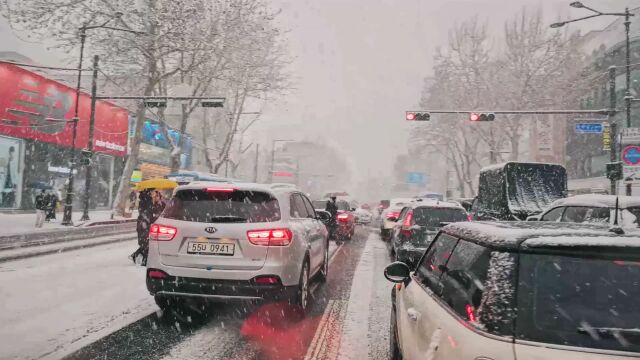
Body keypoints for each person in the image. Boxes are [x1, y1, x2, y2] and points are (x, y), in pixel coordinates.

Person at [131, 189, 152, 265]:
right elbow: (145, 212)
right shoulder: (146, 200)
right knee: (146, 244)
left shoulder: (145, 200)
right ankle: (144, 261)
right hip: (143, 225)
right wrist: (147, 219)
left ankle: (136, 256)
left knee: (145, 244)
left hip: (144, 225)